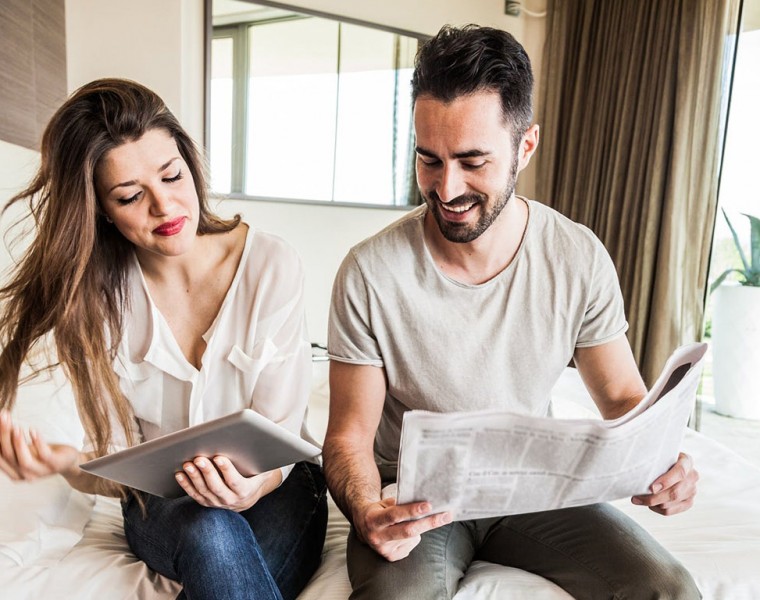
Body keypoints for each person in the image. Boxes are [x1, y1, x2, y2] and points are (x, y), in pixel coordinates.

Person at [323, 25, 700, 600]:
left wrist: (663, 462)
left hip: (535, 485)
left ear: (526, 146)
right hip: (415, 498)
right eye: (429, 160)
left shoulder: (576, 256)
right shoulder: (369, 272)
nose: (447, 188)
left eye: (473, 161)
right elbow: (348, 437)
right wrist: (367, 509)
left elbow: (623, 398)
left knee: (668, 589)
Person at [0, 78, 327, 600]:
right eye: (130, 196)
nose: (165, 206)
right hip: (167, 506)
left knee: (223, 552)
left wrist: (251, 488)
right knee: (210, 531)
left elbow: (282, 436)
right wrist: (66, 464)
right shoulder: (98, 302)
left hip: (277, 487)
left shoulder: (270, 264)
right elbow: (121, 469)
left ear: (189, 165)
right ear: (101, 209)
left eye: (172, 176)